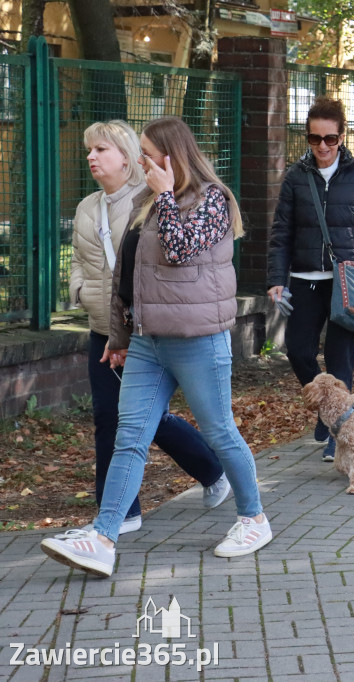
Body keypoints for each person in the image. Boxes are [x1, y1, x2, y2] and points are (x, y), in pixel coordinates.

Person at [40, 117, 271, 577]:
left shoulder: (211, 200)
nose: (141, 162)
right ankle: (104, 538)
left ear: (171, 156)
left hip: (197, 339)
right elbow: (129, 275)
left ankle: (254, 518)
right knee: (129, 436)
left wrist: (165, 194)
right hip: (147, 341)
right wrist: (120, 338)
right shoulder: (146, 200)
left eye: (146, 153)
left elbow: (180, 248)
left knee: (220, 430)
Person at [68, 120, 229, 537]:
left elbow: (166, 261)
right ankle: (121, 514)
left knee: (144, 420)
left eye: (100, 149)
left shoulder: (149, 201)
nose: (91, 157)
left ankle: (213, 471)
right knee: (112, 418)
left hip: (146, 330)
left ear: (125, 156)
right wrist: (80, 291)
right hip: (103, 329)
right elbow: (78, 260)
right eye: (90, 150)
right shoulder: (87, 208)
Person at [267, 97, 354, 463]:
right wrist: (277, 279)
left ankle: (338, 434)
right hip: (305, 278)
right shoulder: (297, 176)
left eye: (330, 139)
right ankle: (326, 409)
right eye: (314, 139)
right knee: (298, 351)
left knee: (341, 360)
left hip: (349, 281)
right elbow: (282, 232)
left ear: (342, 137)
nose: (322, 147)